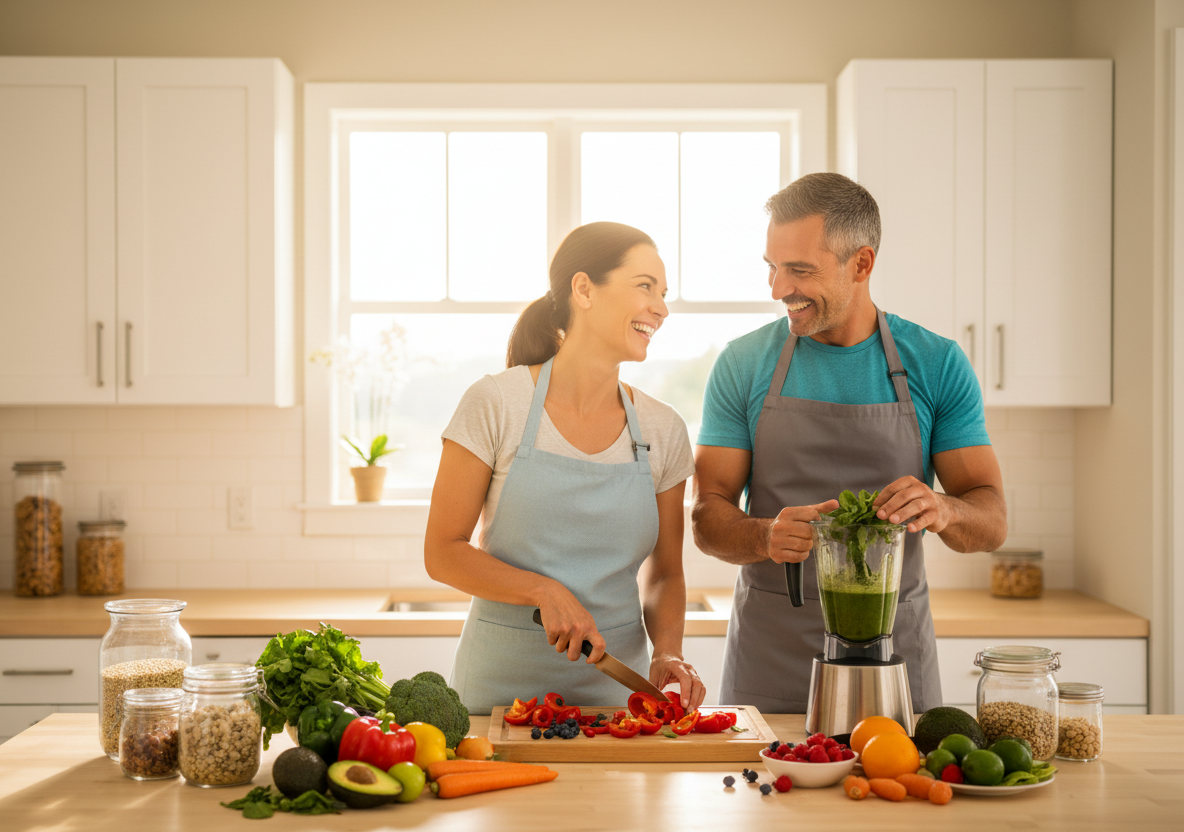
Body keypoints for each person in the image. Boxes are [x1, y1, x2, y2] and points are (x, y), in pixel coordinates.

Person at [692, 173, 1007, 714]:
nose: (776, 289)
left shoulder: (936, 362)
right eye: (771, 267)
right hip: (771, 666)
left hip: (894, 666)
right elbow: (706, 516)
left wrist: (943, 509)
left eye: (800, 270)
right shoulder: (743, 364)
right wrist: (765, 534)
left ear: (861, 264)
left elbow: (992, 520)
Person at [426, 221, 704, 715]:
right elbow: (442, 553)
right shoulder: (497, 402)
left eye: (663, 293)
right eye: (645, 286)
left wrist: (669, 651)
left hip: (618, 702)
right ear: (583, 289)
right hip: (495, 702)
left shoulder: (663, 430)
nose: (660, 308)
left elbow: (665, 573)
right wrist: (541, 589)